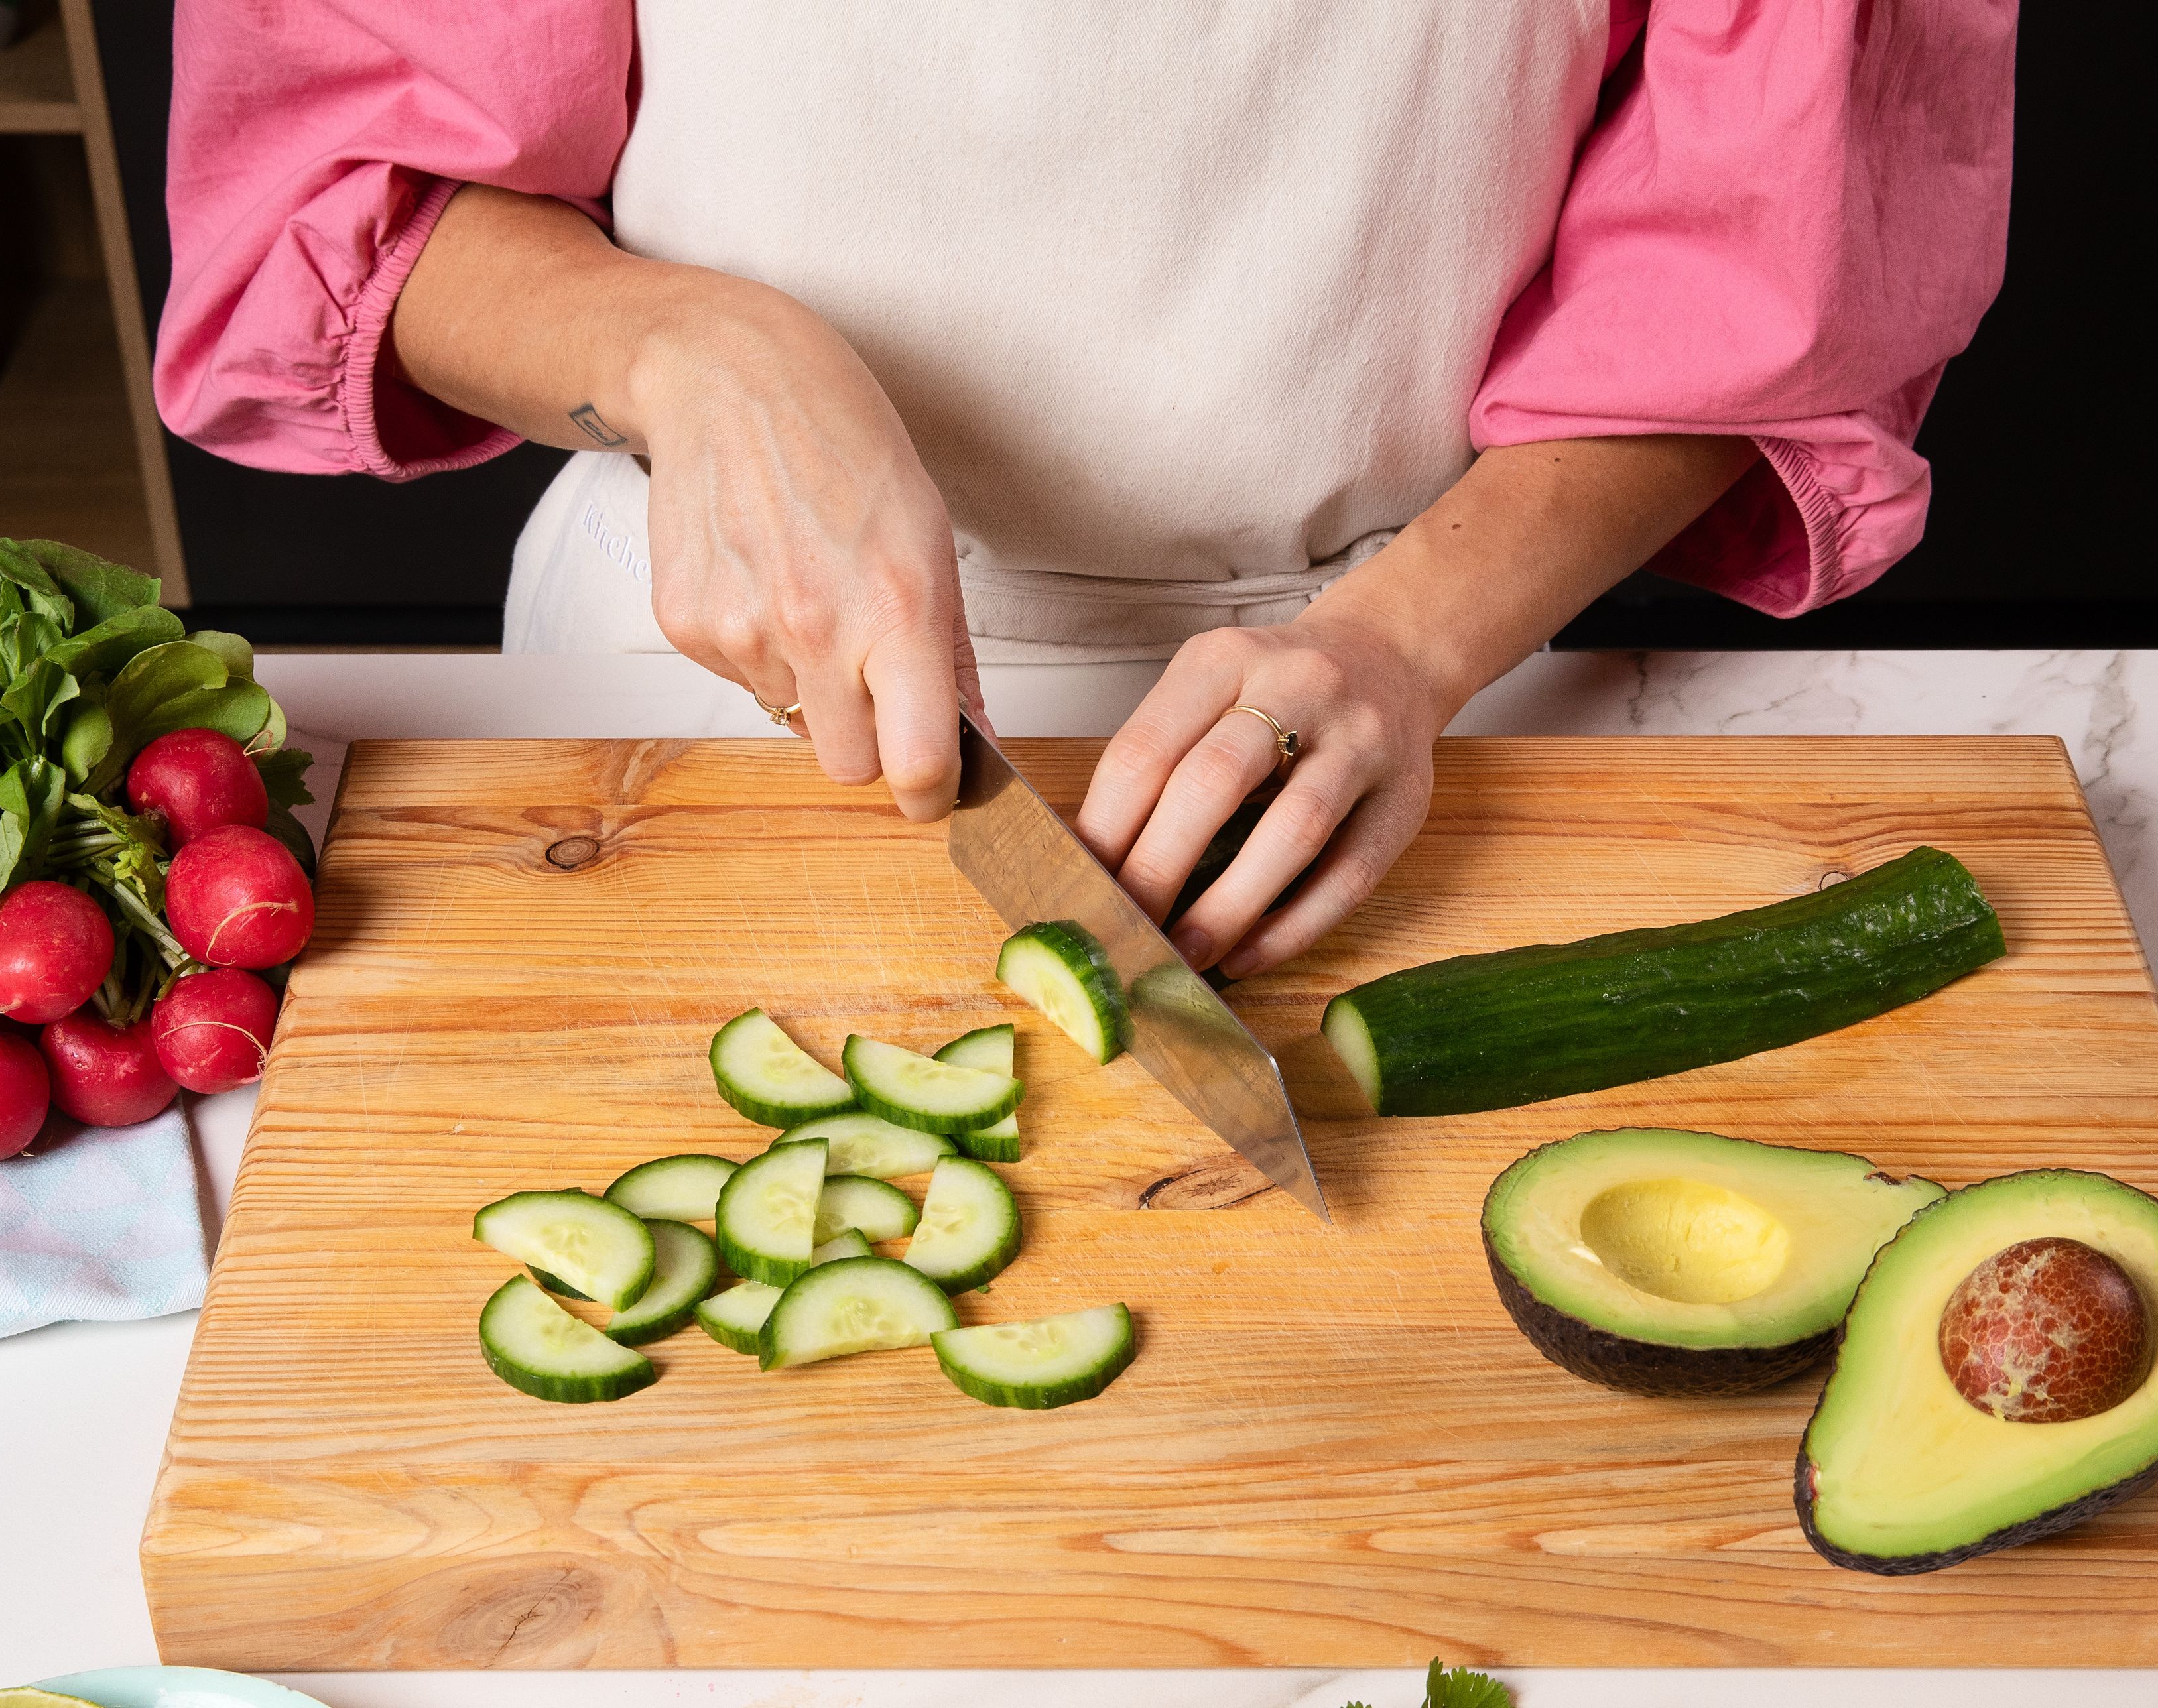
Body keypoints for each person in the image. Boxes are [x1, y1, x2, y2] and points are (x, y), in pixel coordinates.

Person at [157, 1, 2014, 979]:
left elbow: (1772, 255)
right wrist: (683, 350)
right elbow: (337, 182)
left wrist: (1405, 645)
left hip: (1438, 687)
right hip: (710, 679)